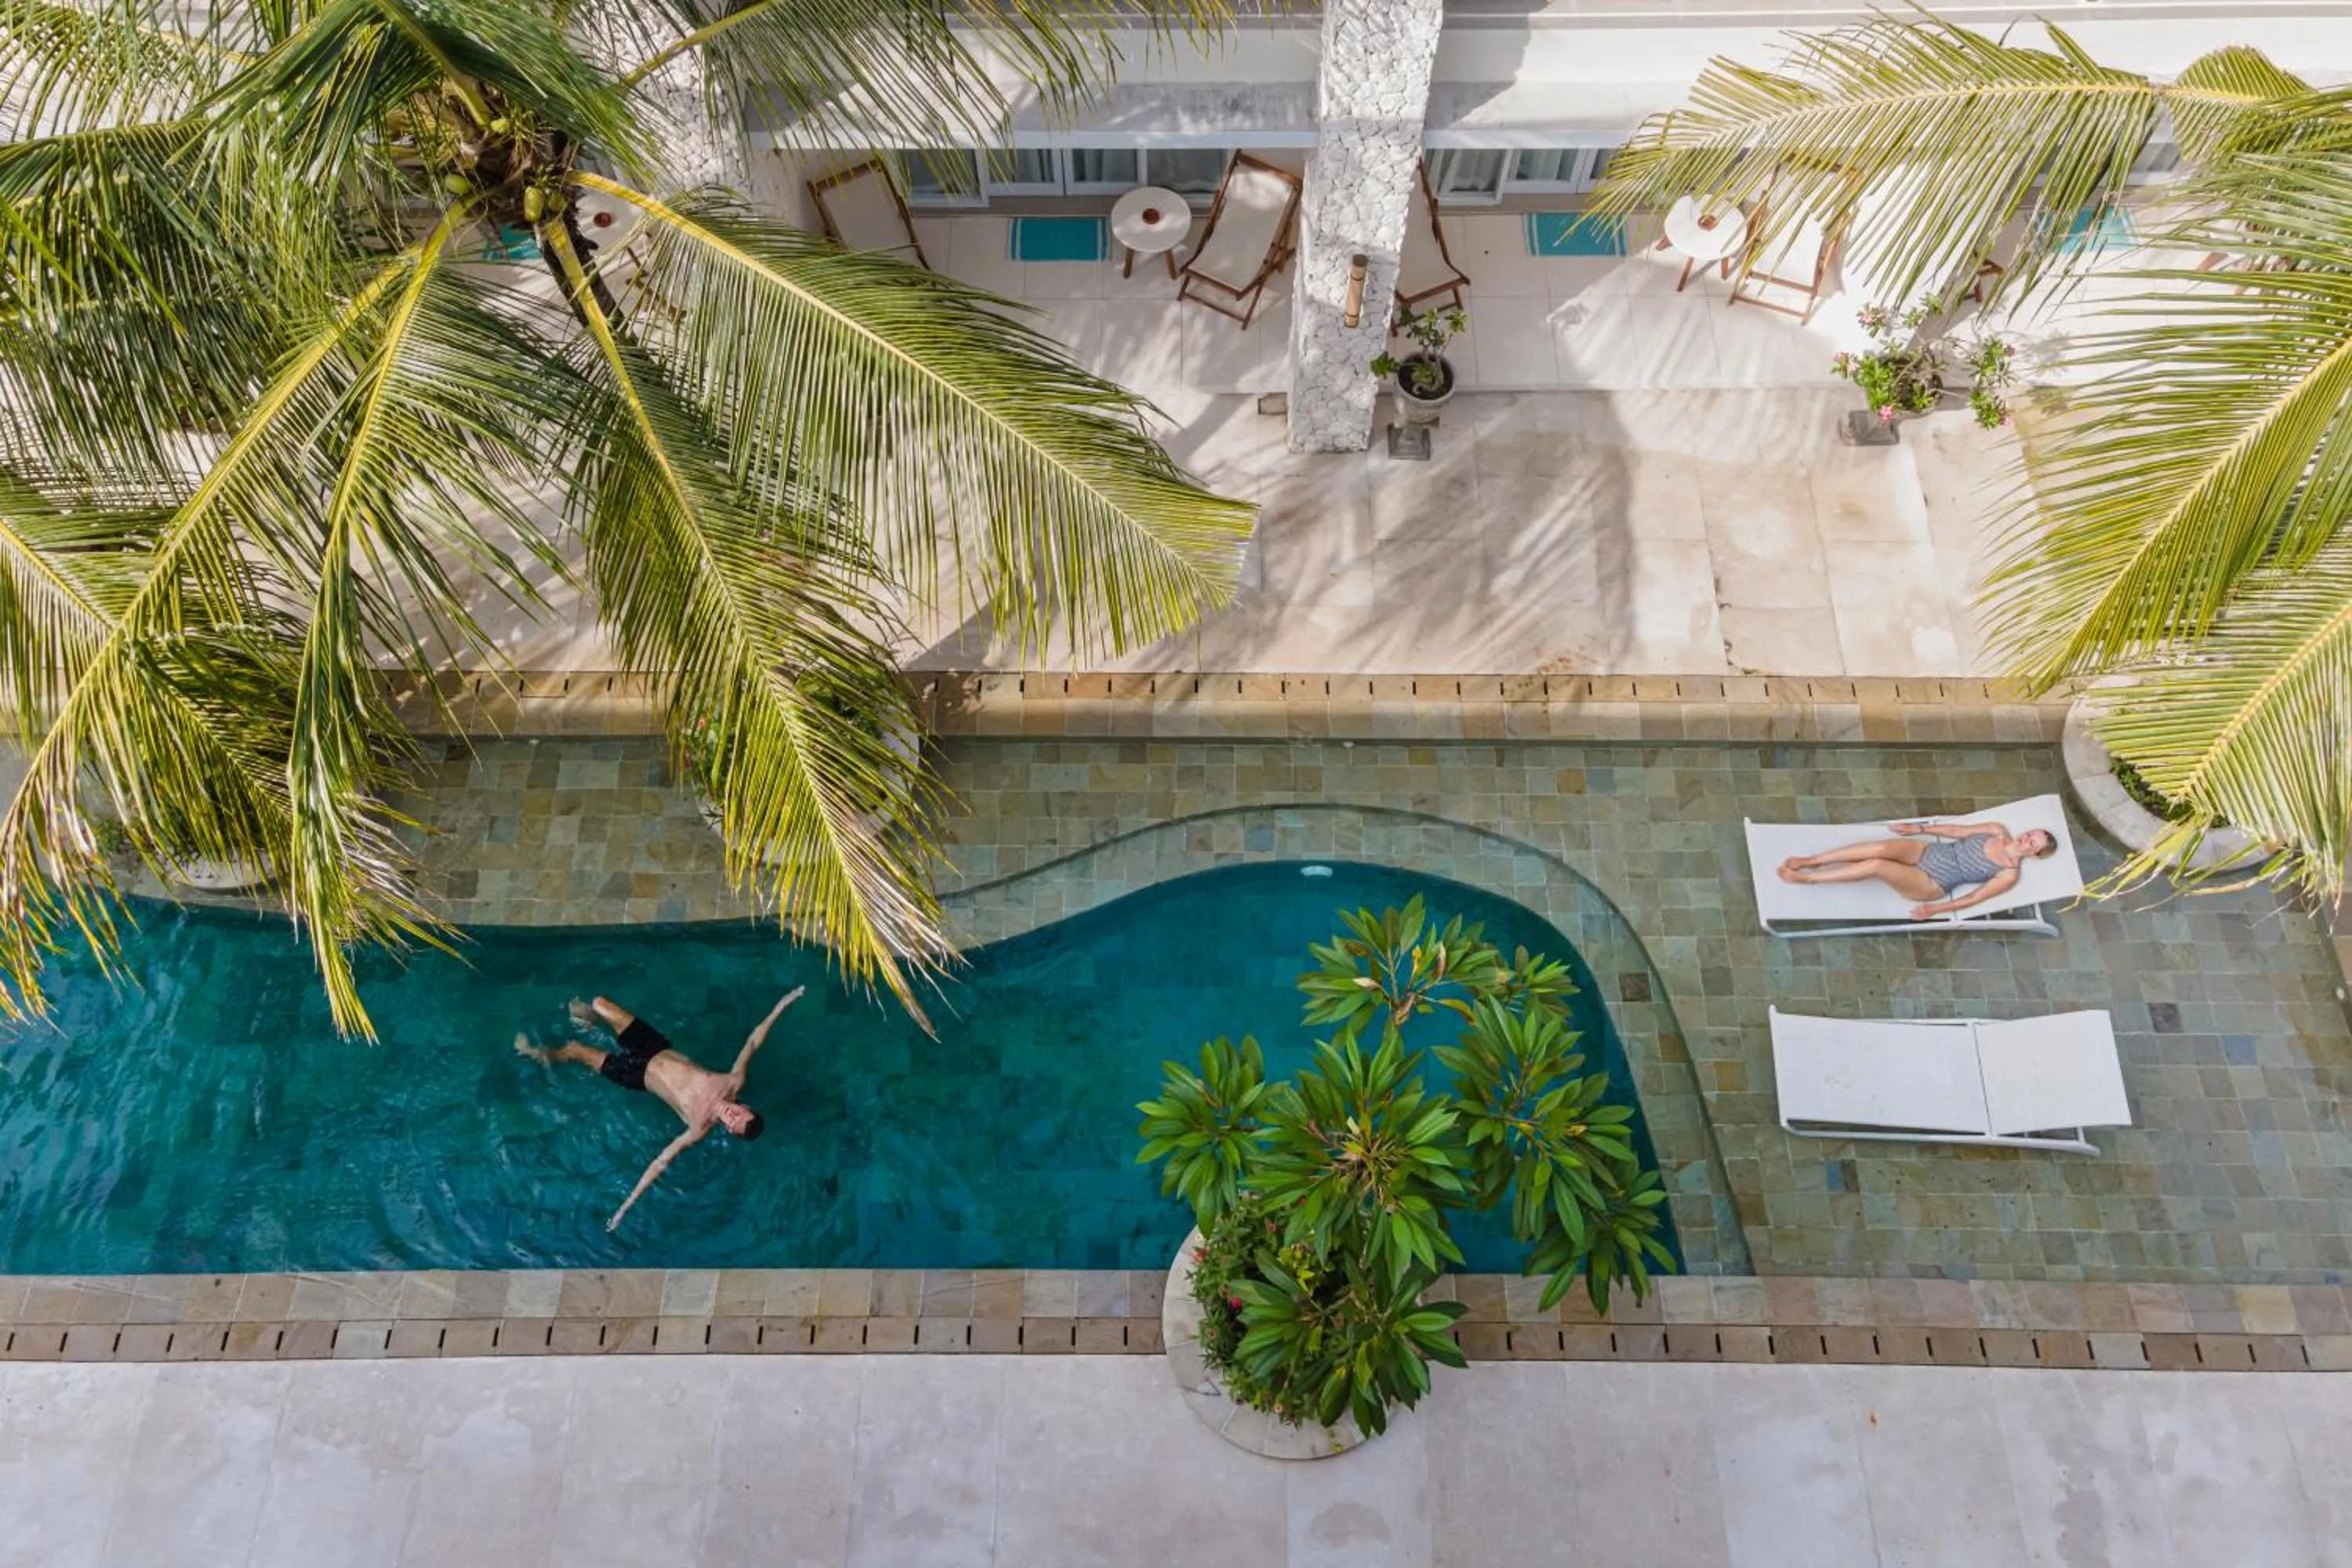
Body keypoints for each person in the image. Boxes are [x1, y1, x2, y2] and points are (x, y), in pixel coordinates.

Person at [517, 987, 804, 1232]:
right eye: (740, 1114)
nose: (733, 1116)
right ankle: (588, 1023)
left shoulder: (698, 1127)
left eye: (734, 1123)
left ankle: (535, 1053)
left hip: (635, 1074)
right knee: (598, 1004)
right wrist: (782, 1005)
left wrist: (624, 1208)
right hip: (653, 1047)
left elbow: (660, 1162)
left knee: (574, 1050)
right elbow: (753, 1042)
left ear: (729, 1130)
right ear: (745, 1106)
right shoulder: (732, 1081)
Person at [1777, 819, 2059, 920]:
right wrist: (1918, 829)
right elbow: (1957, 831)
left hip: (1931, 881)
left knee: (1877, 865)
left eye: (2032, 842)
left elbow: (1974, 898)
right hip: (1929, 851)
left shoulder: (2008, 874)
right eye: (2030, 833)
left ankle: (1809, 879)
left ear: (2035, 854)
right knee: (1880, 848)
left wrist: (1935, 910)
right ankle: (1812, 861)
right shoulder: (1996, 830)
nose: (2026, 838)